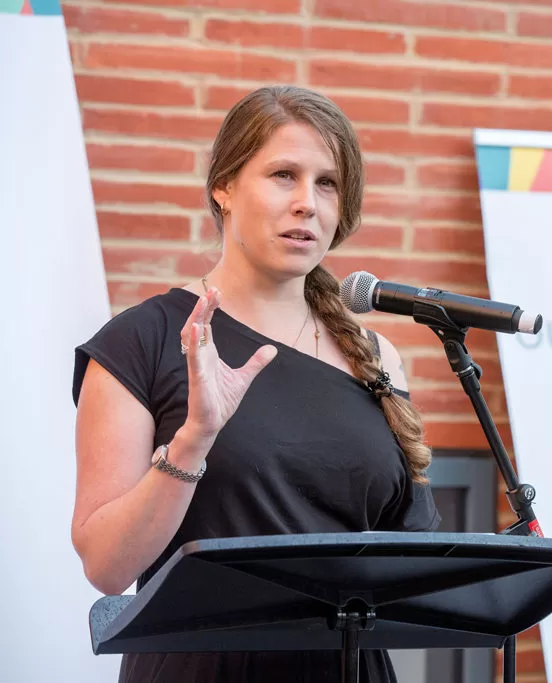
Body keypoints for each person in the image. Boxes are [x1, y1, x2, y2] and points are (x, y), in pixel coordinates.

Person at [70, 84, 440, 682]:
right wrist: (194, 438)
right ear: (224, 187)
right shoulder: (141, 342)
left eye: (328, 183)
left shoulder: (376, 355)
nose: (307, 203)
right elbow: (107, 566)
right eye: (283, 175)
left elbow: (408, 560)